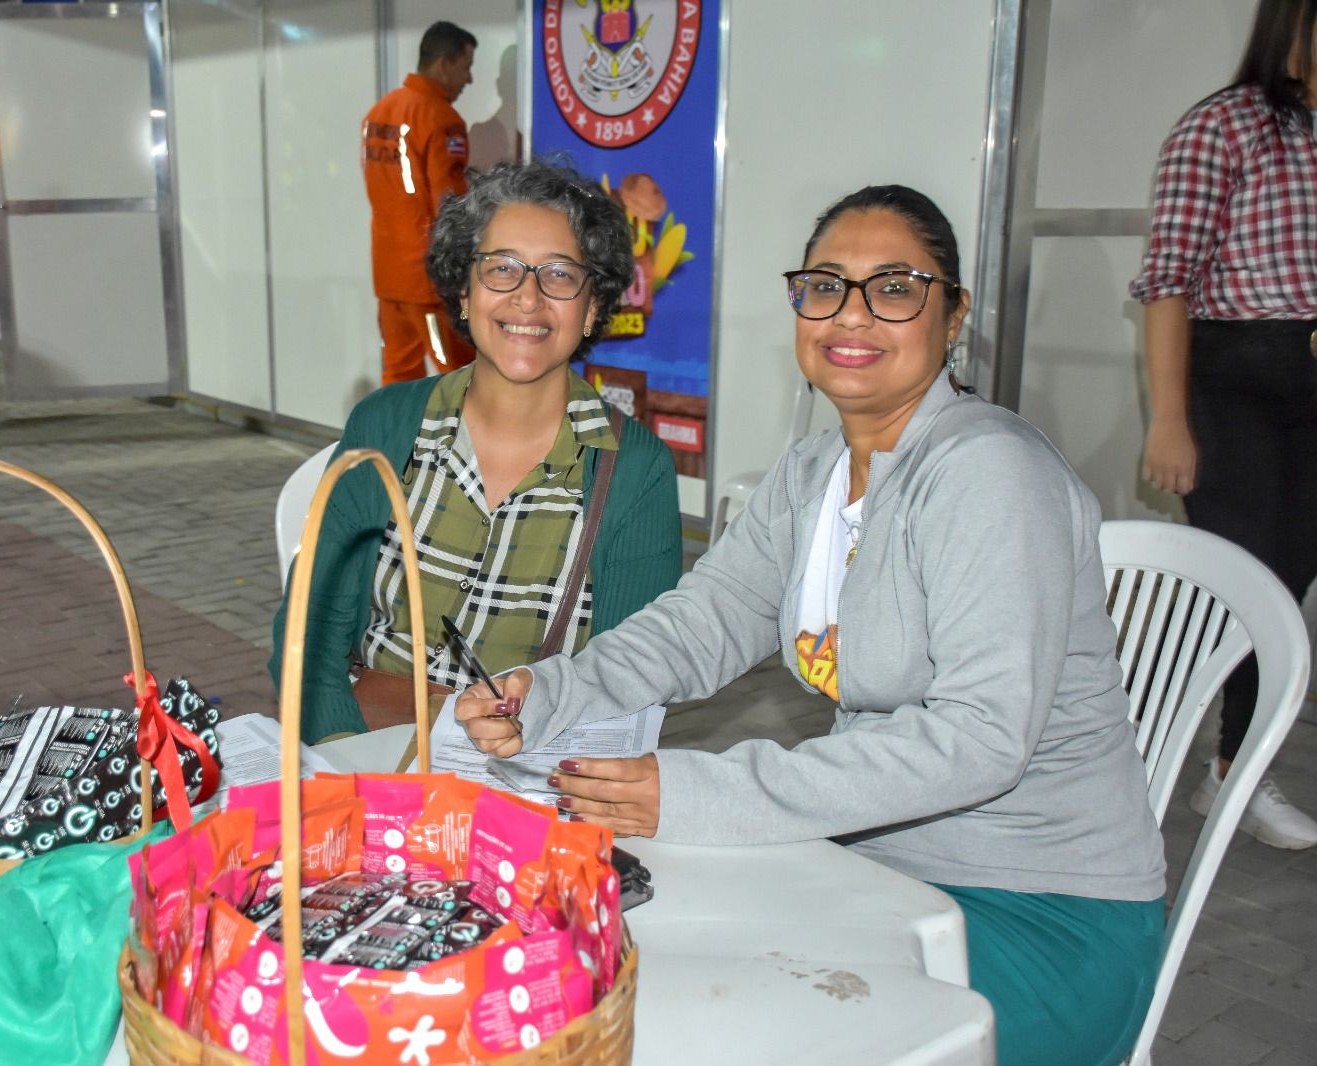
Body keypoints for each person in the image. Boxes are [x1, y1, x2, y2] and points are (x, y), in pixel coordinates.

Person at [460, 186, 1168, 1066]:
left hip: (1039, 907)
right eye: (826, 286)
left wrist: (695, 792)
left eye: (895, 288)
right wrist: (551, 690)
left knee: (721, 1018)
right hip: (875, 871)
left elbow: (980, 741)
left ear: (953, 317)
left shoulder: (991, 473)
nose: (852, 315)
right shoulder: (814, 470)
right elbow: (702, 621)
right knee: (632, 967)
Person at [272, 159, 682, 744]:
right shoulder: (385, 424)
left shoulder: (636, 469)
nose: (528, 298)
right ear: (464, 291)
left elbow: (630, 673)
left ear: (592, 307)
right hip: (364, 736)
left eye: (560, 275)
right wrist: (342, 751)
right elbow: (309, 631)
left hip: (529, 756)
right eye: (502, 269)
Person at [1131, 0, 1317, 850]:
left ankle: (1233, 769)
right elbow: (1168, 282)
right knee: (1227, 592)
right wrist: (1169, 420)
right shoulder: (1223, 126)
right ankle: (1123, 765)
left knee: (1284, 591)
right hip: (1236, 383)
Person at [363, 21, 479, 384]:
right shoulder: (442, 120)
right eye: (466, 67)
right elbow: (449, 205)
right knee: (460, 376)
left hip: (389, 277)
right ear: (444, 63)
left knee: (399, 375)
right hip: (429, 282)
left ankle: (399, 427)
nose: (469, 79)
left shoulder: (377, 114)